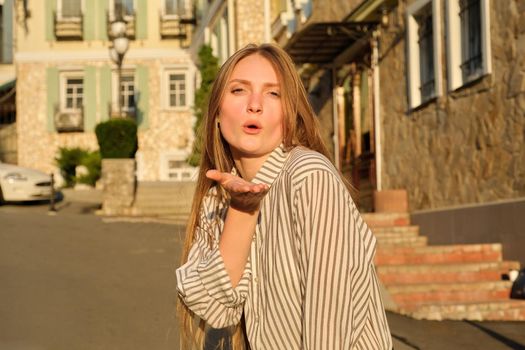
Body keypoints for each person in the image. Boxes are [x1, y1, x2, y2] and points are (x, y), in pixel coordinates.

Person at [176, 43, 392, 349]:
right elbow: (214, 307)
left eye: (273, 93)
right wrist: (242, 209)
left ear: (290, 116)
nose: (255, 105)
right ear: (217, 114)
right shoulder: (219, 200)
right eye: (239, 90)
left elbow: (329, 322)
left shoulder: (309, 176)